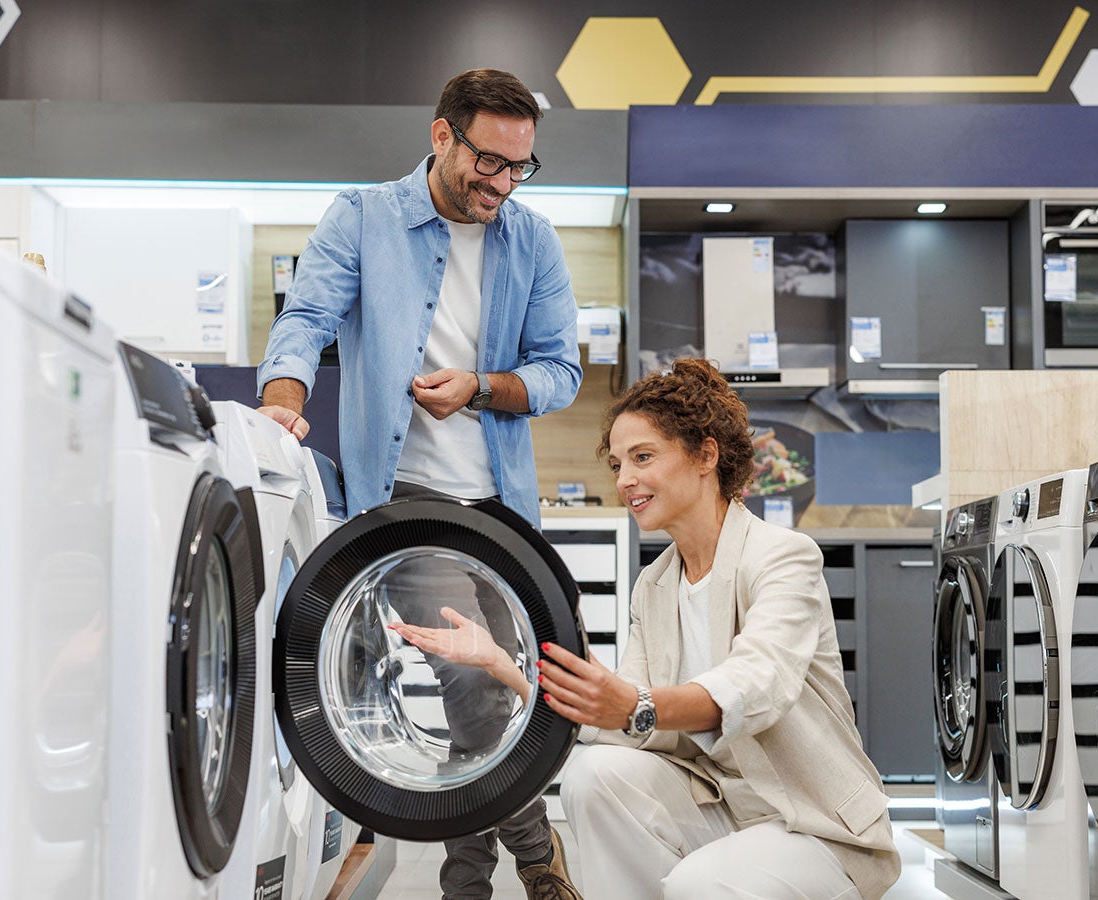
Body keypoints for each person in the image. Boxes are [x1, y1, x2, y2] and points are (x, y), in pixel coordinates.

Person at [256, 68, 584, 900]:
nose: (502, 183)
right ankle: (542, 863)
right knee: (476, 681)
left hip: (505, 508)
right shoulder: (362, 219)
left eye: (520, 167)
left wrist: (479, 385)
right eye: (489, 161)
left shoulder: (533, 241)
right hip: (406, 501)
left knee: (514, 686)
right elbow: (306, 319)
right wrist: (279, 403)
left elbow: (559, 375)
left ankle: (465, 887)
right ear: (442, 137)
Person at [536, 358, 901, 899]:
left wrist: (636, 704)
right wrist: (517, 673)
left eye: (642, 457)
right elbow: (631, 718)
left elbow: (759, 683)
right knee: (595, 777)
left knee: (698, 884)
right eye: (616, 465)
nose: (624, 480)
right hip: (722, 804)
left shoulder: (783, 557)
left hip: (815, 823)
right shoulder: (654, 584)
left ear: (706, 455)